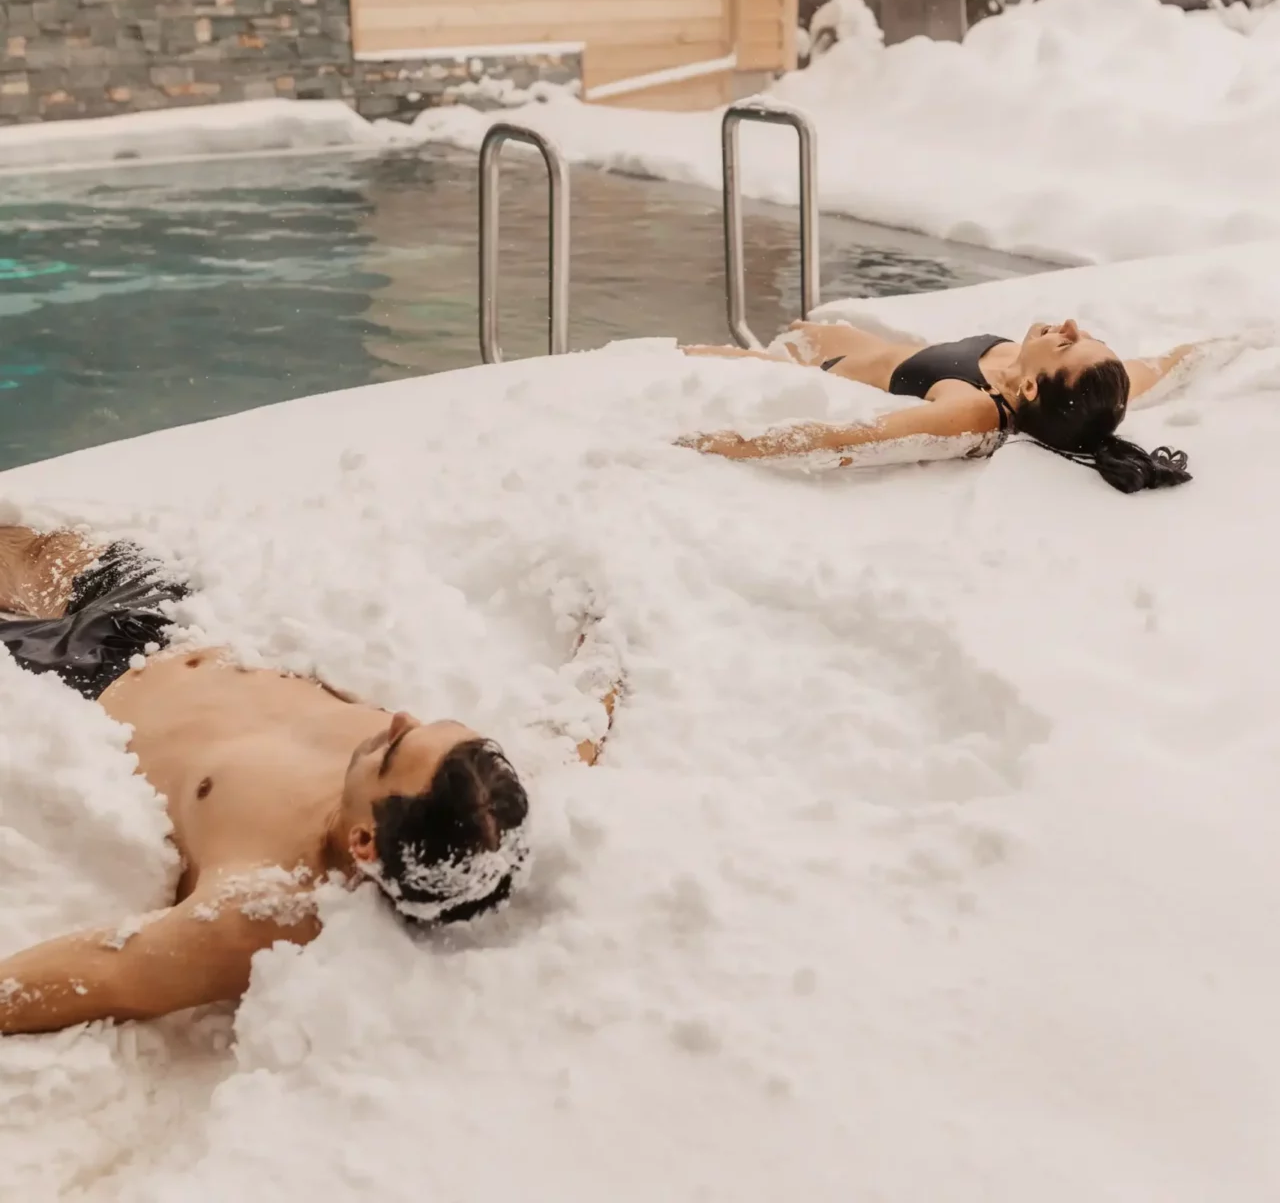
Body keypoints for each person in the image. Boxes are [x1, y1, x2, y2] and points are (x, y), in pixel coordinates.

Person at [0, 527, 619, 1036]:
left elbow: (109, 973)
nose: (399, 718)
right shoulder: (477, 795)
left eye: (392, 749)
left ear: (365, 844)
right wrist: (608, 631)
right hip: (177, 624)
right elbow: (578, 725)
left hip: (73, 685)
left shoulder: (262, 903)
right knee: (33, 548)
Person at [677, 319, 1196, 493]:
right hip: (831, 339)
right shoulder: (1100, 385)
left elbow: (850, 439)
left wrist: (720, 445)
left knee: (659, 358)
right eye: (1083, 337)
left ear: (1032, 390)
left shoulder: (975, 410)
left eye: (1066, 344)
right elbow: (1167, 363)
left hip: (797, 368)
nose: (1070, 326)